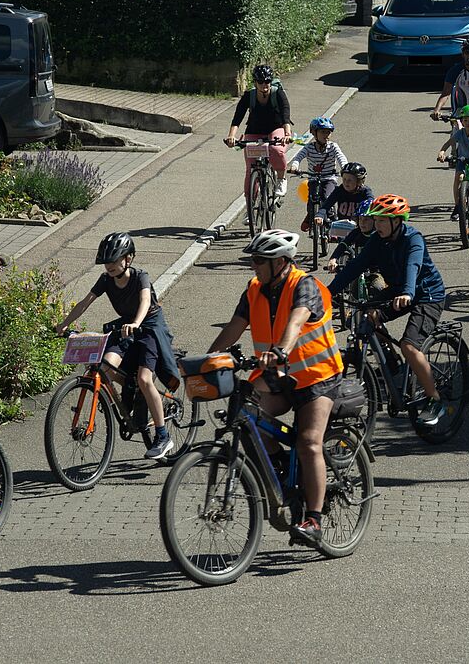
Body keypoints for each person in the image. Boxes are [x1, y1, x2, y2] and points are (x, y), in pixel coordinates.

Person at [205, 229, 343, 547]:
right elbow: (233, 328)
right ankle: (281, 468)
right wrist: (209, 360)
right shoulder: (254, 289)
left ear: (280, 262)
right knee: (247, 416)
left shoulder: (303, 284)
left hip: (316, 377)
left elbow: (296, 322)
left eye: (258, 261)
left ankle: (314, 520)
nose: (253, 266)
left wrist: (280, 349)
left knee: (309, 443)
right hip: (279, 377)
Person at [54, 233, 181, 459]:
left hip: (149, 326)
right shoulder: (105, 280)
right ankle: (131, 388)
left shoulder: (140, 277)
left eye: (114, 260)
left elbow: (145, 302)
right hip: (126, 327)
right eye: (106, 261)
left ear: (128, 259)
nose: (109, 265)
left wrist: (136, 323)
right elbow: (85, 302)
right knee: (106, 367)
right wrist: (64, 325)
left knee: (144, 378)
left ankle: (163, 436)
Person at [329, 195, 448, 427]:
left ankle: (435, 400)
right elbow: (355, 267)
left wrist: (408, 293)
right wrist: (327, 292)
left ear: (397, 221)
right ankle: (394, 369)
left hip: (426, 295)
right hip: (397, 290)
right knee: (366, 315)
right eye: (377, 220)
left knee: (409, 346)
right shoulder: (376, 241)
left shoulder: (413, 239)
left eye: (383, 221)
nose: (378, 225)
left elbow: (413, 266)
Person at [225, 64, 293, 198]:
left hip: (276, 128)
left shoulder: (277, 93)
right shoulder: (249, 96)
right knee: (251, 168)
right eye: (260, 82)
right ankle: (250, 206)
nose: (264, 85)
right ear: (255, 82)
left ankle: (281, 179)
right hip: (254, 130)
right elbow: (237, 118)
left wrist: (287, 134)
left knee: (276, 150)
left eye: (267, 81)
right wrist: (231, 137)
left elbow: (286, 115)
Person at [288, 117, 347, 229]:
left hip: (329, 178)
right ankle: (310, 216)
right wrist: (295, 166)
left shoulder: (333, 147)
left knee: (327, 197)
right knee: (311, 199)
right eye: (323, 132)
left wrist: (344, 167)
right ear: (314, 133)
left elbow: (341, 157)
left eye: (328, 132)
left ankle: (331, 222)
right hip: (313, 178)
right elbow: (298, 157)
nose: (326, 135)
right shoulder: (309, 147)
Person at [436, 104, 469, 222]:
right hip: (463, 159)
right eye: (465, 120)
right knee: (459, 178)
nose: (468, 123)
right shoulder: (460, 133)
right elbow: (449, 142)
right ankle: (457, 205)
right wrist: (442, 151)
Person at [326, 196, 377, 273]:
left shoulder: (379, 235)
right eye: (360, 219)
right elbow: (344, 244)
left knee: (378, 284)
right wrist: (333, 259)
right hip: (358, 268)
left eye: (366, 219)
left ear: (375, 220)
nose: (362, 222)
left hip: (376, 270)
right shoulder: (356, 232)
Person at [317, 162, 372, 231]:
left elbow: (371, 202)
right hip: (343, 227)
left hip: (359, 227)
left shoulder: (365, 191)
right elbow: (327, 204)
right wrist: (320, 215)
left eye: (350, 180)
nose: (346, 183)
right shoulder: (339, 190)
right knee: (343, 242)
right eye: (344, 179)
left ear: (359, 181)